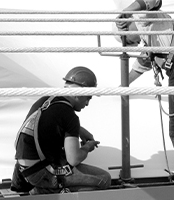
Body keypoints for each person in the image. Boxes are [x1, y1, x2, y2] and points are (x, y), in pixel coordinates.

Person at [115, 0, 174, 184]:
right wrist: (121, 87)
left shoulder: (143, 17)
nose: (136, 43)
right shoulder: (150, 36)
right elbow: (140, 66)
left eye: (131, 40)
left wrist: (125, 12)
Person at [10, 66, 111, 194]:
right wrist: (87, 148)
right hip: (42, 173)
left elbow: (47, 124)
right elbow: (73, 159)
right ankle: (44, 190)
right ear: (79, 94)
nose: (87, 104)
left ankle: (43, 187)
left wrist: (79, 130)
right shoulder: (70, 116)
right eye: (88, 98)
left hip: (24, 170)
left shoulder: (46, 100)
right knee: (104, 179)